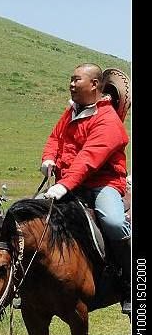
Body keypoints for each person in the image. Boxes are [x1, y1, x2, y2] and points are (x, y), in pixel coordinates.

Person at [40, 63, 131, 316]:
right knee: (30, 218)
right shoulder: (71, 113)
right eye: (70, 79)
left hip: (102, 184)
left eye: (76, 80)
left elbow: (89, 158)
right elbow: (55, 138)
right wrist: (49, 158)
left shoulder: (109, 121)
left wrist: (63, 185)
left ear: (94, 85)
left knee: (113, 222)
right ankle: (27, 283)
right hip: (68, 182)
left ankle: (131, 282)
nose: (71, 84)